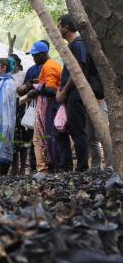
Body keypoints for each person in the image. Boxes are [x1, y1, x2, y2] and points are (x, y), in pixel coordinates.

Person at [55, 14, 96, 172]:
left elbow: (77, 72)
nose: (57, 29)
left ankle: (82, 168)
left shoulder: (78, 44)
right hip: (69, 95)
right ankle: (68, 167)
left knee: (78, 132)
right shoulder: (72, 45)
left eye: (59, 26)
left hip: (75, 95)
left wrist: (64, 92)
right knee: (64, 131)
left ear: (66, 27)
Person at [24, 41, 61, 179]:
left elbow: (51, 89)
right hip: (46, 104)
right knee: (41, 137)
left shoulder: (50, 66)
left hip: (49, 104)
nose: (33, 58)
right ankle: (45, 167)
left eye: (35, 55)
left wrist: (36, 88)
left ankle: (44, 168)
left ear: (42, 54)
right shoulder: (48, 65)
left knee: (42, 138)